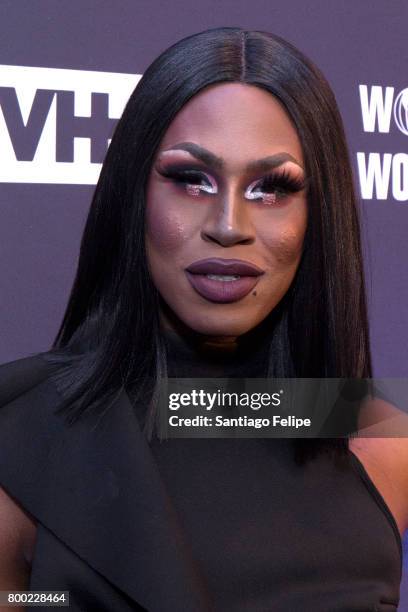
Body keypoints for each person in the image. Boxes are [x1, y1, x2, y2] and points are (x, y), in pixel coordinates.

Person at [0, 26, 406, 612]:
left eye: (272, 189)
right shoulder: (20, 444)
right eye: (191, 179)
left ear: (320, 215)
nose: (227, 223)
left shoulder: (382, 444)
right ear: (133, 195)